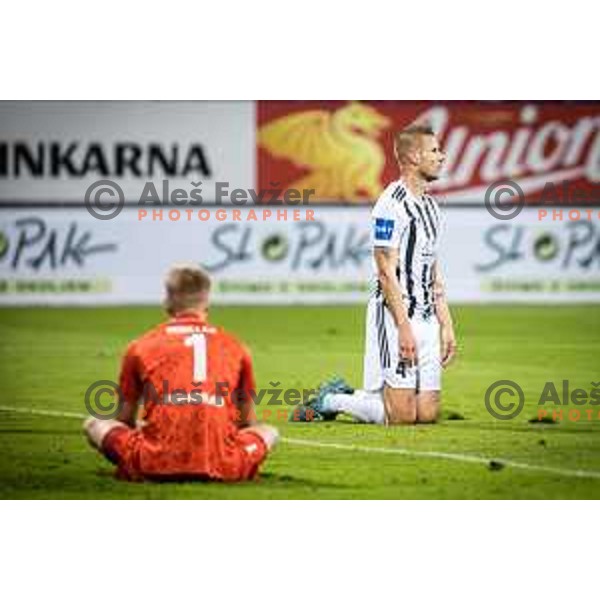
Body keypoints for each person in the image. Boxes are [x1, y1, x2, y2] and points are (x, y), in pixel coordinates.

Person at [294, 125, 456, 425]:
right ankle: (330, 399)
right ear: (412, 156)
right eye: (434, 151)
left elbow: (434, 272)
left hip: (427, 317)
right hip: (394, 316)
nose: (442, 157)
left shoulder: (432, 207)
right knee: (402, 417)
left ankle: (360, 397)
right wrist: (403, 326)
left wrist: (446, 324)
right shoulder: (390, 205)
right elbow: (385, 272)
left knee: (428, 414)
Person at [83, 263, 278, 481]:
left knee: (94, 423)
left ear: (167, 300)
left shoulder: (141, 346)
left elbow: (124, 419)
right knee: (269, 431)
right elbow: (246, 424)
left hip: (152, 463)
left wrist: (150, 427)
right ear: (206, 302)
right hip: (225, 464)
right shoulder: (236, 347)